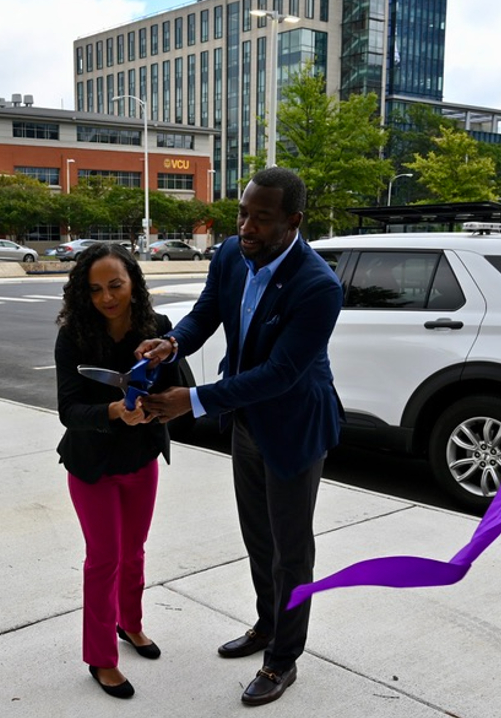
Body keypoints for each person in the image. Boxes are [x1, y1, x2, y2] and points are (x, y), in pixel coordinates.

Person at [138, 167, 343, 707]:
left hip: (294, 425)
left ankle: (283, 659)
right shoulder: (231, 253)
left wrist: (195, 399)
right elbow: (207, 312)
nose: (247, 225)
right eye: (243, 213)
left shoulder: (317, 285)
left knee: (291, 550)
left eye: (262, 217)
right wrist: (172, 344)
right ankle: (265, 624)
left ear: (293, 221)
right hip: (246, 421)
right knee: (258, 536)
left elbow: (280, 374)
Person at [54, 243, 180, 699]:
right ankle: (101, 658)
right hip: (92, 465)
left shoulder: (158, 330)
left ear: (134, 283)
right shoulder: (74, 337)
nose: (106, 297)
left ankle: (132, 624)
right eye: (95, 289)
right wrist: (113, 410)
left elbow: (176, 387)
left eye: (115, 285)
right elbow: (69, 409)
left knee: (135, 552)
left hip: (141, 459)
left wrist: (156, 408)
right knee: (104, 559)